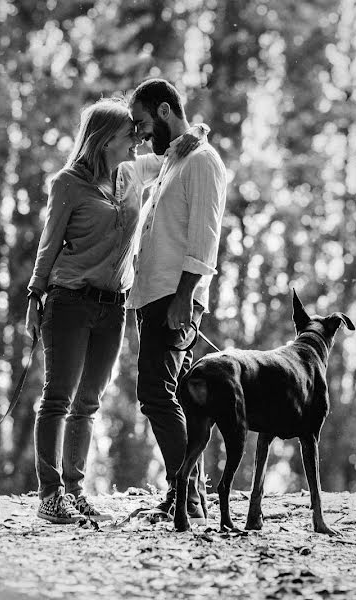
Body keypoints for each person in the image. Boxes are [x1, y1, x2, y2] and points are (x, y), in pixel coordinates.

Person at [25, 98, 208, 524]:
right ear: (106, 139)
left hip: (113, 308)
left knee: (88, 403)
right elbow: (48, 245)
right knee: (57, 399)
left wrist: (196, 132)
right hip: (68, 301)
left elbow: (173, 155)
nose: (139, 141)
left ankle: (74, 490)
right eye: (131, 135)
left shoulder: (130, 173)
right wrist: (35, 296)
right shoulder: (68, 183)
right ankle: (50, 495)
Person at [127, 79, 228, 525]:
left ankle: (183, 493)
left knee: (154, 393)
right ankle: (193, 496)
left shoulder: (203, 163)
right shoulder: (174, 159)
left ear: (166, 111)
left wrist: (184, 297)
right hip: (153, 294)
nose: (142, 134)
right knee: (183, 400)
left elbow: (205, 241)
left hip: (175, 296)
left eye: (145, 124)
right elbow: (130, 163)